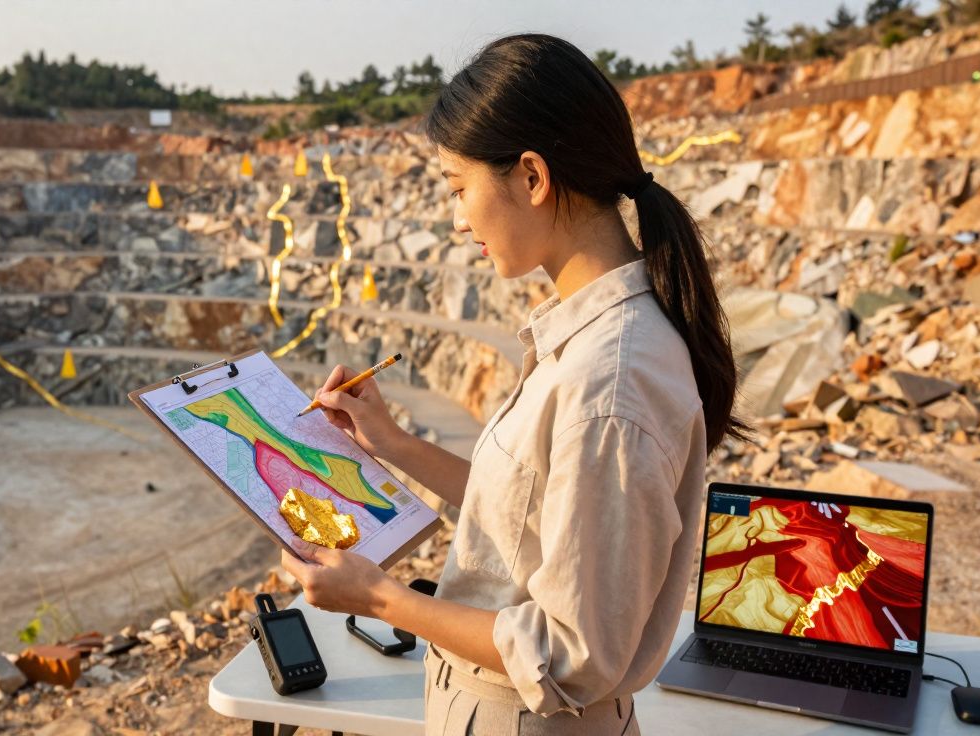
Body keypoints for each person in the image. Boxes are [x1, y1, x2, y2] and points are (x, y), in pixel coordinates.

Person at [279, 33, 748, 735]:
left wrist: (377, 598)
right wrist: (392, 443)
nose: (458, 218)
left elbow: (570, 653)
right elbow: (535, 521)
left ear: (532, 176)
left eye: (459, 188)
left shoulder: (610, 380)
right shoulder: (593, 342)